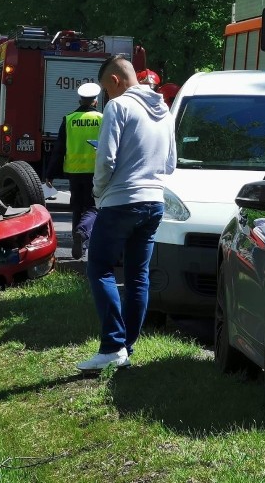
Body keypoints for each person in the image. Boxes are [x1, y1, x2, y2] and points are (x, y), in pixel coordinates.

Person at [76, 55, 176, 372]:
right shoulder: (165, 112)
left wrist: (98, 193)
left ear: (116, 81)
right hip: (154, 201)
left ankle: (111, 345)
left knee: (99, 269)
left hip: (121, 201)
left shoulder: (118, 107)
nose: (106, 95)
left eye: (107, 88)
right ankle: (126, 348)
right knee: (137, 277)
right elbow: (171, 164)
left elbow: (105, 160)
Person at [45, 82, 103, 260]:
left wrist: (50, 174)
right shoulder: (103, 118)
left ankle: (77, 246)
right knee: (93, 207)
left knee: (77, 207)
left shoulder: (69, 119)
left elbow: (59, 149)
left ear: (80, 100)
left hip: (75, 171)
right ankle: (83, 233)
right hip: (95, 171)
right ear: (95, 101)